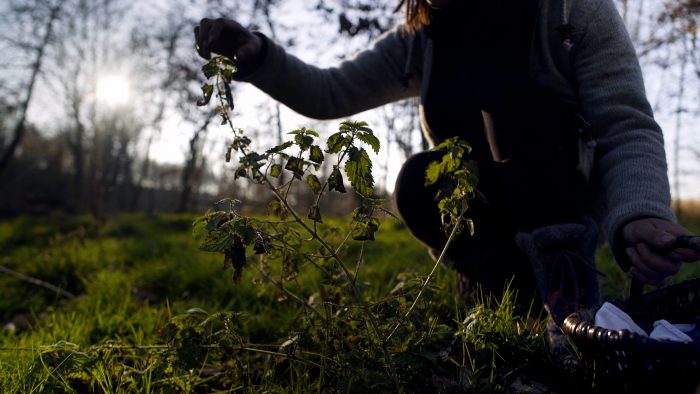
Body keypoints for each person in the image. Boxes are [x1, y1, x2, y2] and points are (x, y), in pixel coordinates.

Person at [195, 0, 700, 325]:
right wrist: (258, 55)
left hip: (558, 193)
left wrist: (641, 213)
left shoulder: (572, 13)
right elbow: (331, 92)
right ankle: (504, 287)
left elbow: (626, 123)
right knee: (418, 180)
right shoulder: (420, 37)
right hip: (482, 212)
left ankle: (568, 287)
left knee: (523, 116)